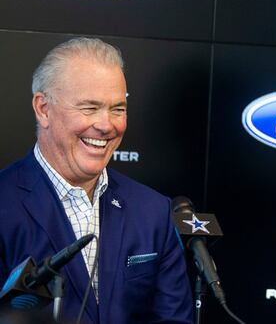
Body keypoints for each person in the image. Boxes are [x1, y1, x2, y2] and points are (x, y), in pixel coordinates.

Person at [0, 38, 192, 323]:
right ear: (43, 109)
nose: (106, 125)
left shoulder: (153, 211)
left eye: (118, 109)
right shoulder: (5, 203)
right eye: (89, 108)